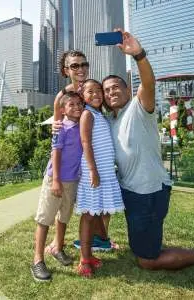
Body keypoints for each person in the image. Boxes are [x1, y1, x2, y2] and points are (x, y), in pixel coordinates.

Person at [102, 29, 194, 271]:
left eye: (116, 87)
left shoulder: (139, 108)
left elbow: (148, 84)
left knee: (147, 261)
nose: (111, 92)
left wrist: (138, 55)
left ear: (128, 90)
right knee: (142, 247)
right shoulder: (111, 121)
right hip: (131, 191)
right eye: (107, 90)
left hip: (148, 191)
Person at [48, 50, 115, 254]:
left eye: (84, 64)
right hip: (71, 157)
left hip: (94, 155)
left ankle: (100, 239)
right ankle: (57, 243)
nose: (80, 69)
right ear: (65, 70)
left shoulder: (94, 89)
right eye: (75, 65)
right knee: (65, 204)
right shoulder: (64, 95)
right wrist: (54, 127)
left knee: (101, 200)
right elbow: (57, 127)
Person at [31, 91, 84, 282]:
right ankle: (37, 260)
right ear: (62, 110)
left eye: (79, 103)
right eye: (71, 104)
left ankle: (58, 248)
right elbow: (56, 152)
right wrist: (56, 180)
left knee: (64, 217)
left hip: (72, 180)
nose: (77, 107)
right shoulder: (61, 127)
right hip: (56, 178)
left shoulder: (82, 126)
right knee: (45, 218)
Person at [76, 79, 124, 277]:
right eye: (90, 91)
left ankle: (91, 253)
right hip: (94, 173)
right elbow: (86, 143)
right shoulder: (87, 114)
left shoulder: (99, 115)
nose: (96, 94)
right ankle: (84, 259)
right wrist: (92, 170)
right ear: (82, 96)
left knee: (95, 214)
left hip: (104, 172)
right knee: (88, 216)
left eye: (98, 91)